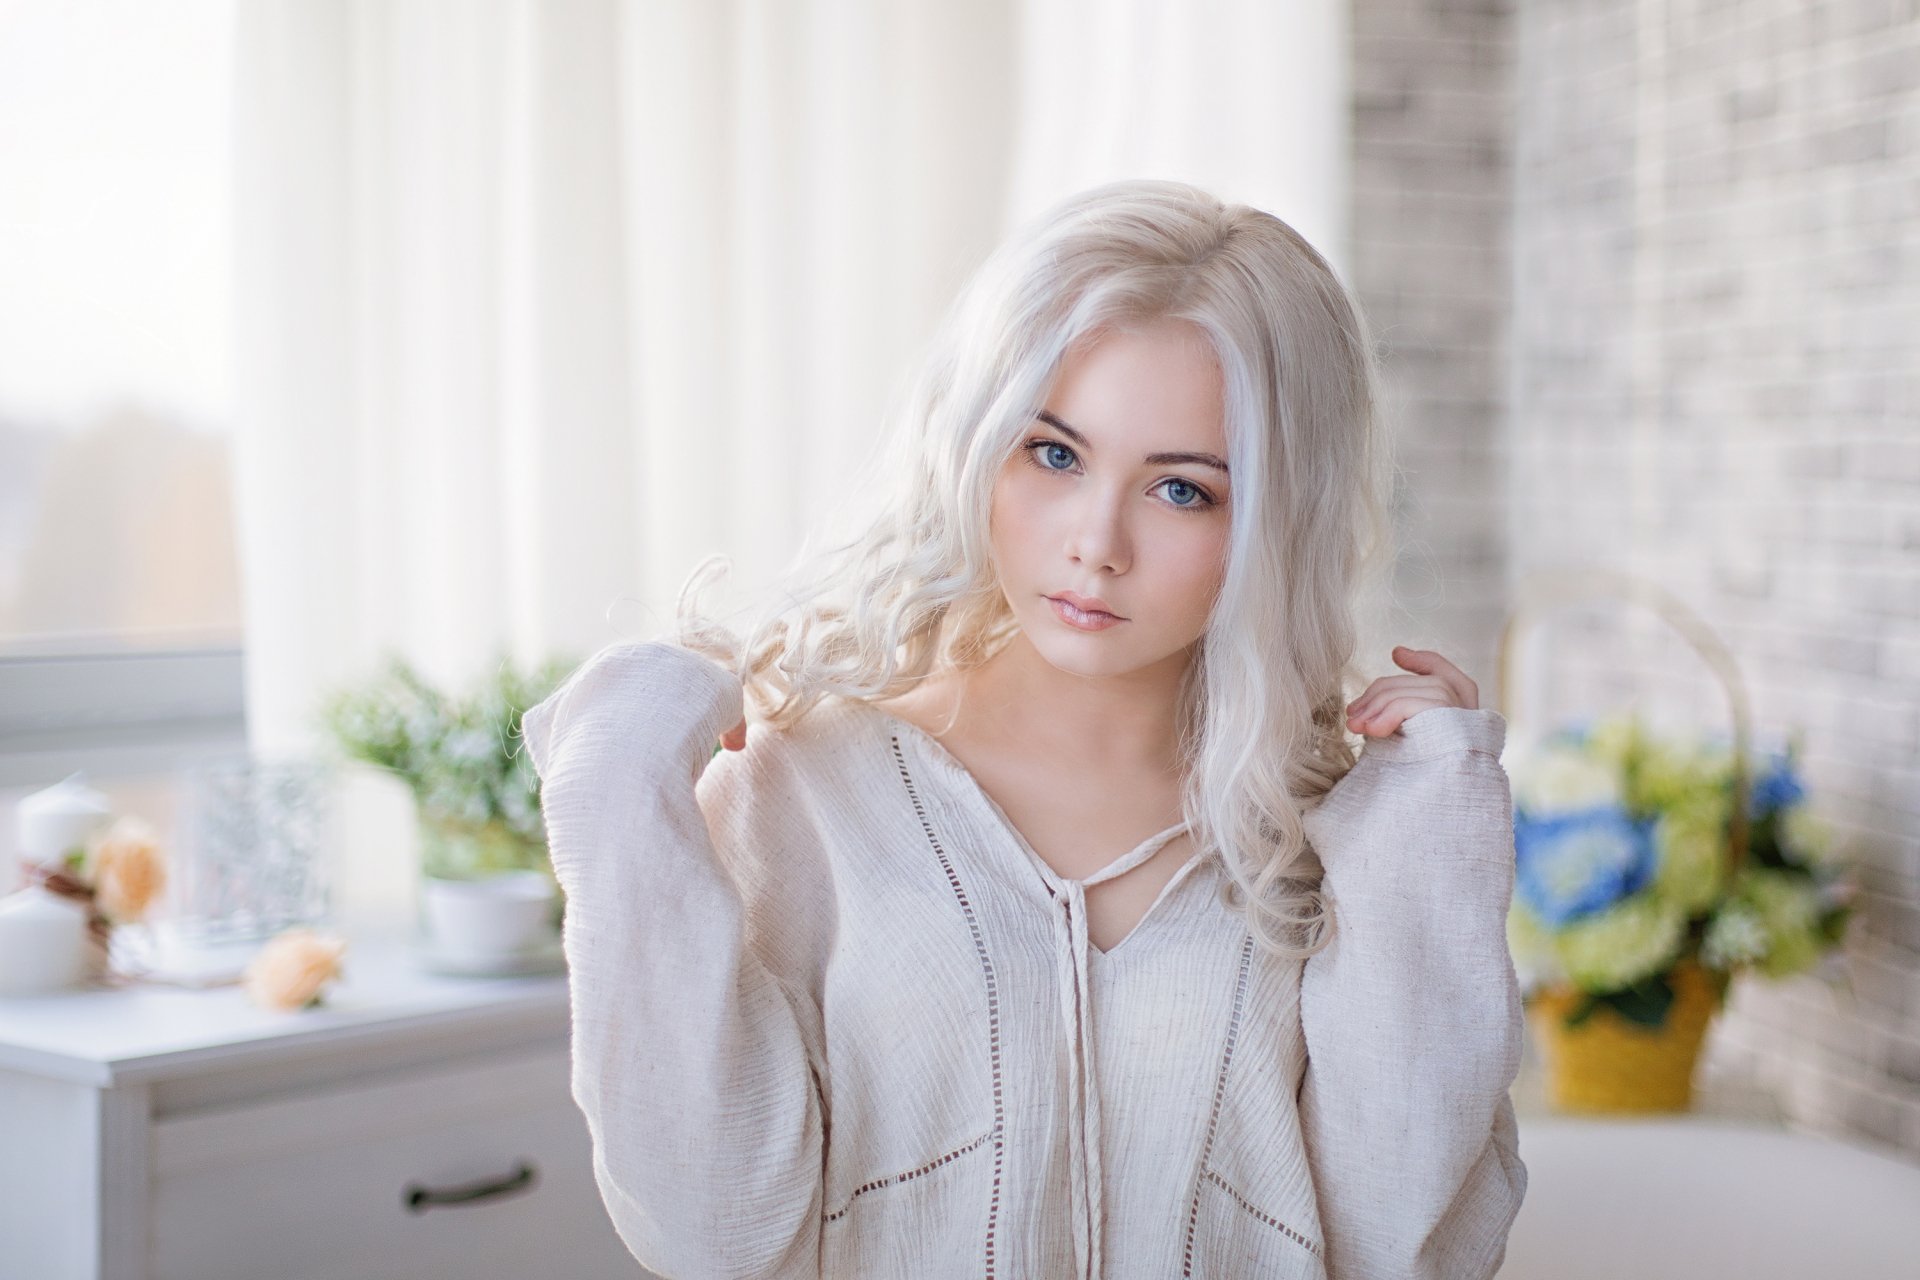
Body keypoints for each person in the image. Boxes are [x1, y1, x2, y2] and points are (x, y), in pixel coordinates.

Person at [518, 178, 1527, 1279]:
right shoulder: (799, 783)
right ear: (979, 443)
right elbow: (707, 1231)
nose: (1098, 541)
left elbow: (1402, 1239)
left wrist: (1424, 828)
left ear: (1279, 516)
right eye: (1053, 453)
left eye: (1183, 489)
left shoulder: (1324, 829)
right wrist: (620, 768)